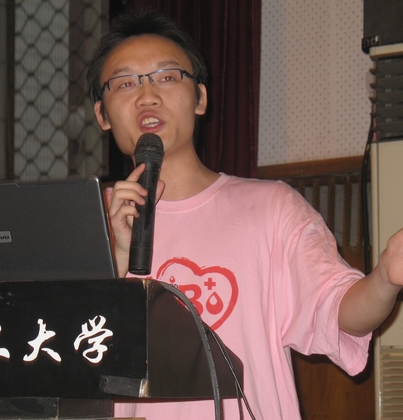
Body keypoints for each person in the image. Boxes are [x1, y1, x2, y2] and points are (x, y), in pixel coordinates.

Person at [86, 7, 403, 420]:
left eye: (167, 77)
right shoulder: (86, 219)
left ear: (200, 98)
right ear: (102, 114)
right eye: (126, 83)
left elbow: (342, 312)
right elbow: (57, 352)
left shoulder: (272, 208)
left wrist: (385, 277)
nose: (147, 96)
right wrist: (112, 263)